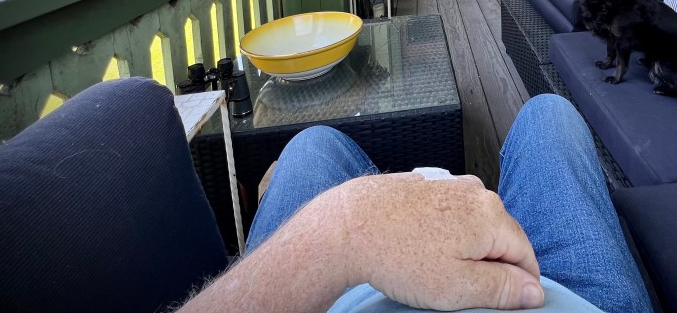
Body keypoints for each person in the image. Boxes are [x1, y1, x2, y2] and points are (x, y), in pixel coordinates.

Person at [178, 94, 652, 313]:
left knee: (312, 144)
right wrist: (349, 226)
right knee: (548, 114)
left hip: (341, 297)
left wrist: (345, 225)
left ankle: (278, 199)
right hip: (558, 298)